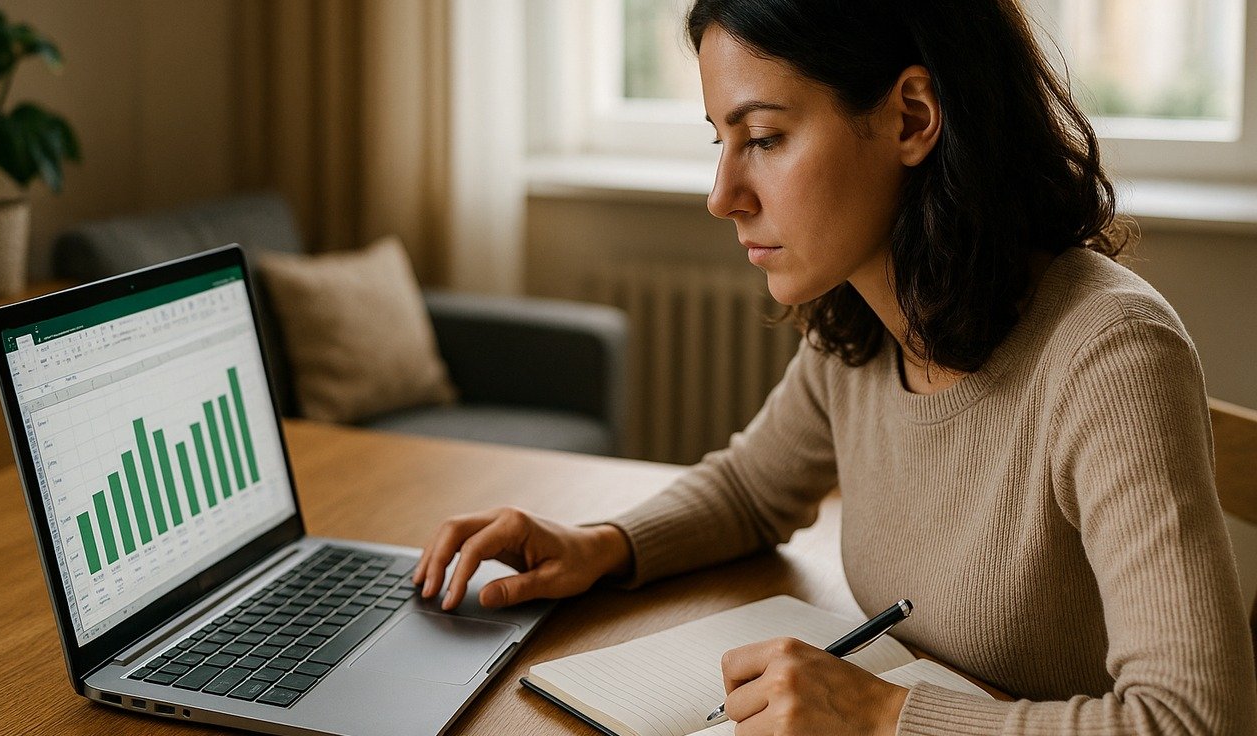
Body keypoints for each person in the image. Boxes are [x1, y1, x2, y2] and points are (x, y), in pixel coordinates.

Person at [413, 0, 1257, 733]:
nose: (722, 194)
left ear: (912, 118)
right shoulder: (866, 313)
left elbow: (1191, 719)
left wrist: (879, 715)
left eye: (766, 137)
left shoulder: (1109, 355)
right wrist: (599, 544)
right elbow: (752, 490)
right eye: (722, 140)